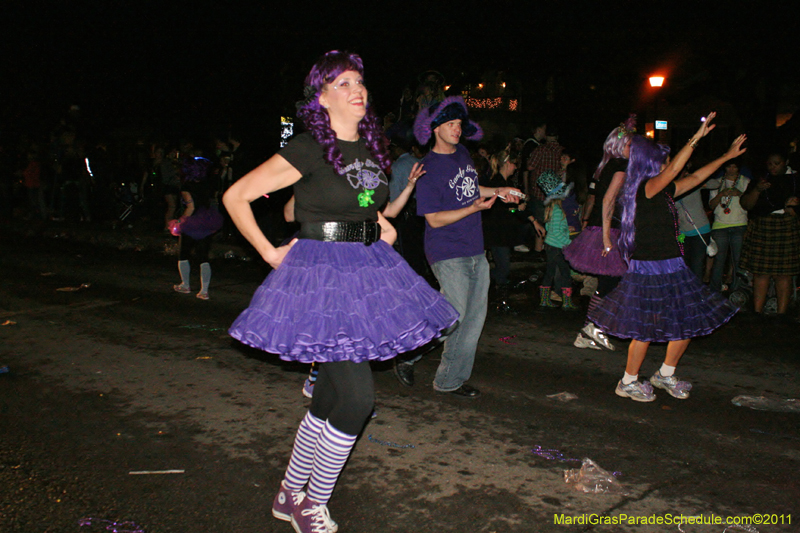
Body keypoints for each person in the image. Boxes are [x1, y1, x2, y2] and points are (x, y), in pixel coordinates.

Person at [221, 51, 458, 533]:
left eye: (360, 81)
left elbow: (367, 207)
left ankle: (291, 493)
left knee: (329, 399)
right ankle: (313, 502)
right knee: (356, 400)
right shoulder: (309, 148)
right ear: (323, 97)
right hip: (321, 277)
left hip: (366, 273)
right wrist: (269, 252)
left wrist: (382, 226)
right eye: (344, 82)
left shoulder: (371, 151)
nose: (358, 89)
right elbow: (236, 196)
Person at [589, 114, 745, 402]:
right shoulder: (641, 189)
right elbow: (675, 170)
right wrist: (696, 137)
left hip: (673, 265)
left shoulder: (663, 191)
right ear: (649, 163)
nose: (666, 164)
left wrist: (726, 156)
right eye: (661, 160)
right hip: (648, 269)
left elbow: (697, 177)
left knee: (686, 321)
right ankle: (627, 382)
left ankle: (665, 374)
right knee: (645, 329)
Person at [392, 96, 521, 397]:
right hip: (446, 250)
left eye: (459, 124)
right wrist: (474, 209)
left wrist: (500, 190)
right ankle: (408, 353)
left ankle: (450, 380)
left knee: (473, 320)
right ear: (435, 129)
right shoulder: (427, 168)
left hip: (474, 247)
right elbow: (435, 220)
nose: (457, 130)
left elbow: (471, 189)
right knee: (453, 313)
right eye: (450, 124)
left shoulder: (462, 153)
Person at [564, 116, 636, 350]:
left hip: (608, 229)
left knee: (610, 282)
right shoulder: (620, 167)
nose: (631, 148)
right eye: (628, 144)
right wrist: (607, 238)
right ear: (617, 146)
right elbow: (607, 201)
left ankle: (587, 332)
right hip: (609, 230)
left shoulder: (609, 165)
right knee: (613, 282)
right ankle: (592, 327)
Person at [739, 151, 800, 317]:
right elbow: (746, 204)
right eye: (770, 164)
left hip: (786, 226)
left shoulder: (795, 179)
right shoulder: (761, 179)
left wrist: (794, 208)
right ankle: (757, 312)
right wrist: (757, 190)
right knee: (760, 272)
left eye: (777, 163)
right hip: (763, 225)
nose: (772, 167)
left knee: (783, 273)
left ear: (786, 162)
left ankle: (781, 314)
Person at [171, 156, 222, 300]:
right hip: (207, 220)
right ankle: (204, 291)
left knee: (183, 253)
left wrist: (179, 221)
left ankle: (185, 284)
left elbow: (190, 207)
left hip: (192, 222)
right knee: (203, 256)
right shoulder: (208, 184)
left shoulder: (187, 186)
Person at [705, 159, 750, 292]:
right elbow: (711, 206)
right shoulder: (717, 182)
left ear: (738, 168)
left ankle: (736, 290)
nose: (731, 170)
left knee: (738, 259)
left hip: (740, 223)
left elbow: (750, 203)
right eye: (728, 167)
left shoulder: (745, 181)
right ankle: (715, 289)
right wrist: (721, 194)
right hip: (720, 224)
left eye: (734, 167)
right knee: (719, 259)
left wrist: (739, 194)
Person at [536, 170, 578, 310]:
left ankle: (544, 300)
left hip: (551, 246)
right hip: (557, 247)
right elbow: (556, 233)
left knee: (550, 272)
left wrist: (567, 229)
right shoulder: (558, 211)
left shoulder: (552, 209)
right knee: (565, 272)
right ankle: (566, 302)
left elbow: (550, 227)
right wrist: (570, 243)